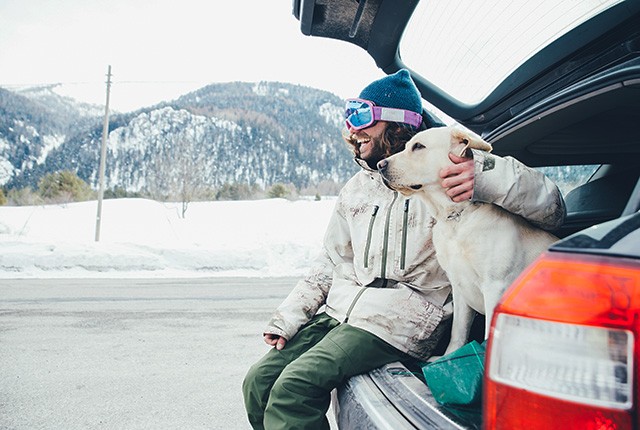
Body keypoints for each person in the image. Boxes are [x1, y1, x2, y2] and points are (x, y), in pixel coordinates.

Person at [242, 69, 565, 430]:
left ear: (396, 124)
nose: (353, 130)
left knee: (294, 389)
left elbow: (550, 208)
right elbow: (331, 261)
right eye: (349, 118)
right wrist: (289, 317)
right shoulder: (357, 188)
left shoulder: (449, 172)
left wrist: (486, 175)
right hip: (343, 311)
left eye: (363, 117)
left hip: (401, 317)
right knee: (259, 383)